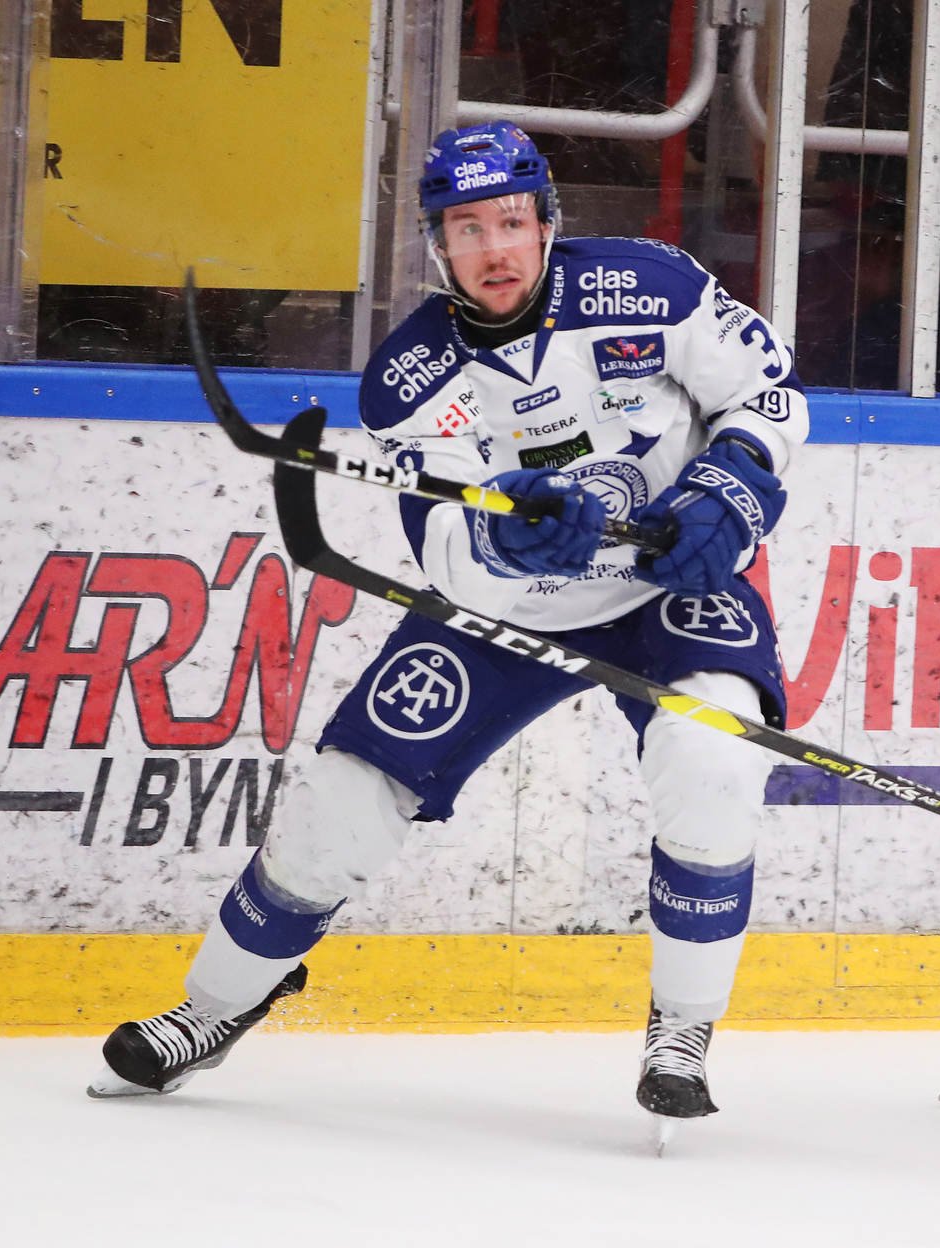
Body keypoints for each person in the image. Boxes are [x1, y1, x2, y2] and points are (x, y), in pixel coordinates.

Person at [89, 121, 809, 1129]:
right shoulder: (409, 376)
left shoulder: (654, 284)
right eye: (467, 229)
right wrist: (513, 541)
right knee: (341, 798)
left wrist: (726, 497)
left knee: (714, 761)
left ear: (549, 222)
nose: (496, 249)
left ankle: (683, 1023)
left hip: (668, 584)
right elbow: (449, 553)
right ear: (437, 245)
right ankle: (215, 1004)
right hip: (513, 614)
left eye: (512, 221)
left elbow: (767, 396)